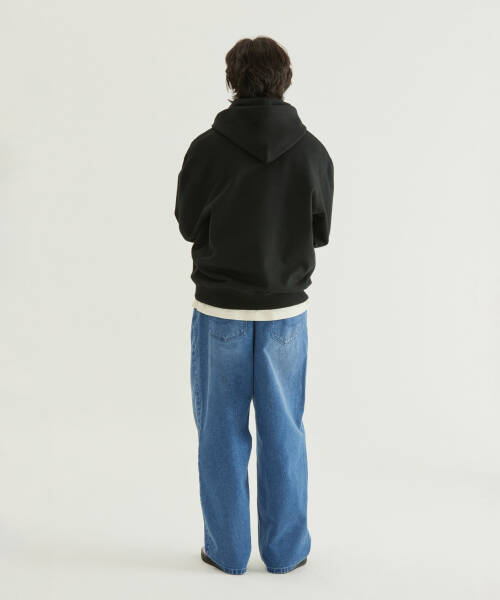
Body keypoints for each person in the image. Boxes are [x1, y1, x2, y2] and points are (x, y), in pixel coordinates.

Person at [175, 36, 334, 575]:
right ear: (284, 79)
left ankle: (227, 552)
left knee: (219, 431)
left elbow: (186, 223)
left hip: (219, 311)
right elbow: (319, 231)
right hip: (285, 314)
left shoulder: (206, 148)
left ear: (233, 80)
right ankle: (287, 553)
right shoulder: (312, 151)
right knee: (284, 430)